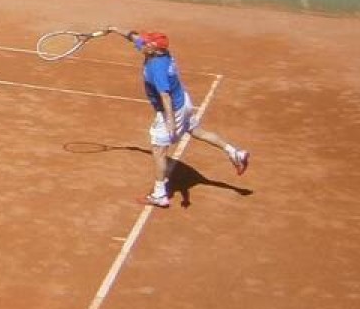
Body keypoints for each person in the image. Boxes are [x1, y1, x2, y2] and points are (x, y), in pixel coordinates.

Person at [103, 27, 250, 207]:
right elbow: (133, 37)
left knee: (159, 150)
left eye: (147, 42)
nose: (143, 43)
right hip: (184, 101)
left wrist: (170, 122)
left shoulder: (157, 68)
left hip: (172, 109)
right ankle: (234, 152)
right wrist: (113, 29)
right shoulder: (159, 53)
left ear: (155, 49)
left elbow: (165, 96)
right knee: (196, 131)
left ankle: (159, 195)